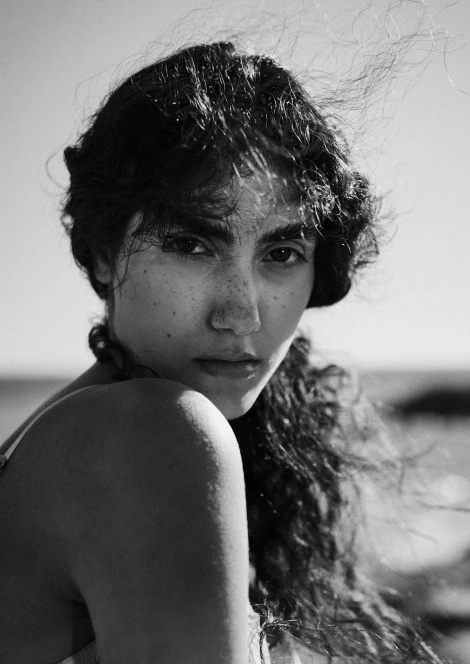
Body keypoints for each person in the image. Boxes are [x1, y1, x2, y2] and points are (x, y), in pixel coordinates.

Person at [0, 40, 441, 664]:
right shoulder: (148, 435)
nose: (242, 313)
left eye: (282, 253)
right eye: (191, 244)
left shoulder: (61, 439)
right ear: (102, 253)